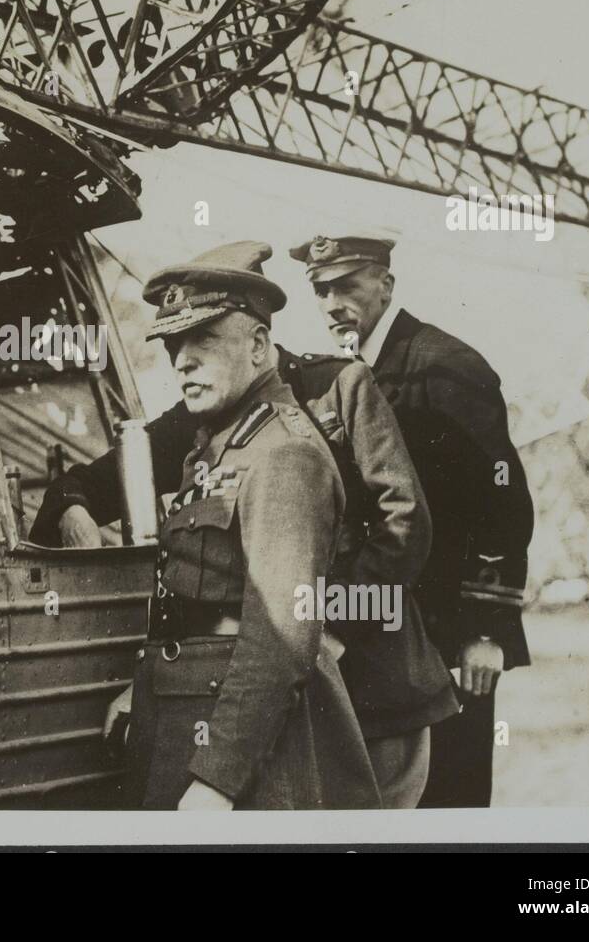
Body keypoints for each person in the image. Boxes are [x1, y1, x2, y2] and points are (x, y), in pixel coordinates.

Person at [32, 242, 457, 807]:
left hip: (370, 673)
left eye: (203, 340)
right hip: (268, 678)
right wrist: (70, 504)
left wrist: (324, 626)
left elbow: (405, 523)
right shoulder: (207, 416)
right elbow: (101, 478)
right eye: (176, 345)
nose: (184, 361)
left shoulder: (339, 387)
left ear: (260, 344)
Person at [287, 234, 533, 808]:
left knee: (449, 804)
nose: (331, 304)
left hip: (450, 639)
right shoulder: (347, 375)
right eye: (320, 290)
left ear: (386, 285)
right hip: (388, 639)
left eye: (347, 286)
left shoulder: (444, 365)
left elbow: (502, 501)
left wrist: (485, 631)